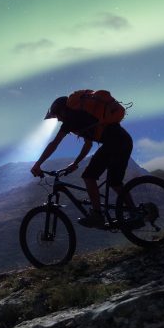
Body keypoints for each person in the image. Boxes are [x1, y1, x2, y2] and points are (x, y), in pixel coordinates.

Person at [30, 94, 133, 228]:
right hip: (122, 141)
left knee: (89, 176)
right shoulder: (82, 117)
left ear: (62, 110)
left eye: (57, 116)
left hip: (116, 142)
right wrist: (75, 163)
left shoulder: (71, 119)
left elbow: (54, 144)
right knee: (114, 182)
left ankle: (98, 215)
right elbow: (88, 144)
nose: (58, 120)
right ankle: (135, 212)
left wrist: (38, 164)